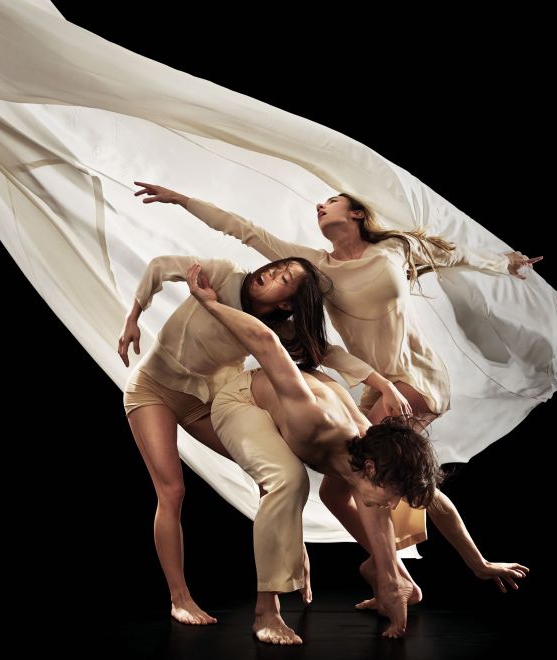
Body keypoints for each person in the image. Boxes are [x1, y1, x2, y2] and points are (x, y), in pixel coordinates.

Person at [133, 182, 532, 604]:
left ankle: (397, 578)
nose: (321, 205)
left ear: (357, 213)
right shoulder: (316, 269)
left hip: (414, 378)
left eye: (333, 201)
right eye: (321, 203)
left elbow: (450, 254)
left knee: (373, 479)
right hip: (375, 384)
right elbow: (245, 230)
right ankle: (400, 572)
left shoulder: (396, 247)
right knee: (342, 489)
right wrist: (183, 200)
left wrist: (504, 263)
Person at [186, 263, 441, 641]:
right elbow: (267, 343)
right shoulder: (314, 419)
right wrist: (209, 303)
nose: (393, 505)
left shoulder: (372, 452)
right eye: (393, 495)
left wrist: (394, 581)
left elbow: (384, 509)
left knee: (336, 493)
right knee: (289, 481)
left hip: (292, 406)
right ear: (372, 469)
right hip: (241, 400)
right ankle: (265, 612)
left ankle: (394, 580)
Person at [119, 254, 374, 625]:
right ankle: (180, 598)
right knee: (171, 492)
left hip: (204, 402)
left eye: (283, 278)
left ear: (286, 304)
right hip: (152, 391)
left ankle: (292, 552)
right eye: (276, 267)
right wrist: (133, 316)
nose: (271, 272)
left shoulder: (276, 327)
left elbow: (326, 351)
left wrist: (381, 384)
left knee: (274, 473)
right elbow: (160, 265)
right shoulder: (223, 274)